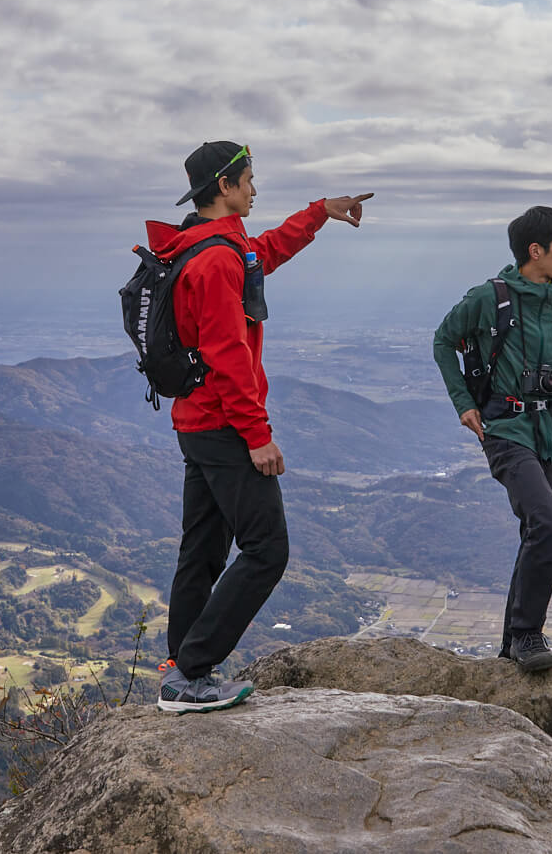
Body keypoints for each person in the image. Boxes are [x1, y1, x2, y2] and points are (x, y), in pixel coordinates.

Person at [147, 140, 372, 713]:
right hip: (224, 425)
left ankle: (182, 665)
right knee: (267, 549)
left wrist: (321, 211)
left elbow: (265, 251)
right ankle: (193, 673)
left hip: (194, 422)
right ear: (224, 186)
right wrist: (257, 435)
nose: (254, 189)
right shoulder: (218, 257)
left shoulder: (201, 246)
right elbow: (228, 354)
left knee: (202, 550)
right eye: (249, 179)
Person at [432, 205, 552, 673]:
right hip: (505, 428)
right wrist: (464, 403)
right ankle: (526, 633)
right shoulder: (489, 298)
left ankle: (509, 651)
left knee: (535, 533)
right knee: (550, 527)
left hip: (550, 431)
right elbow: (443, 340)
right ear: (534, 251)